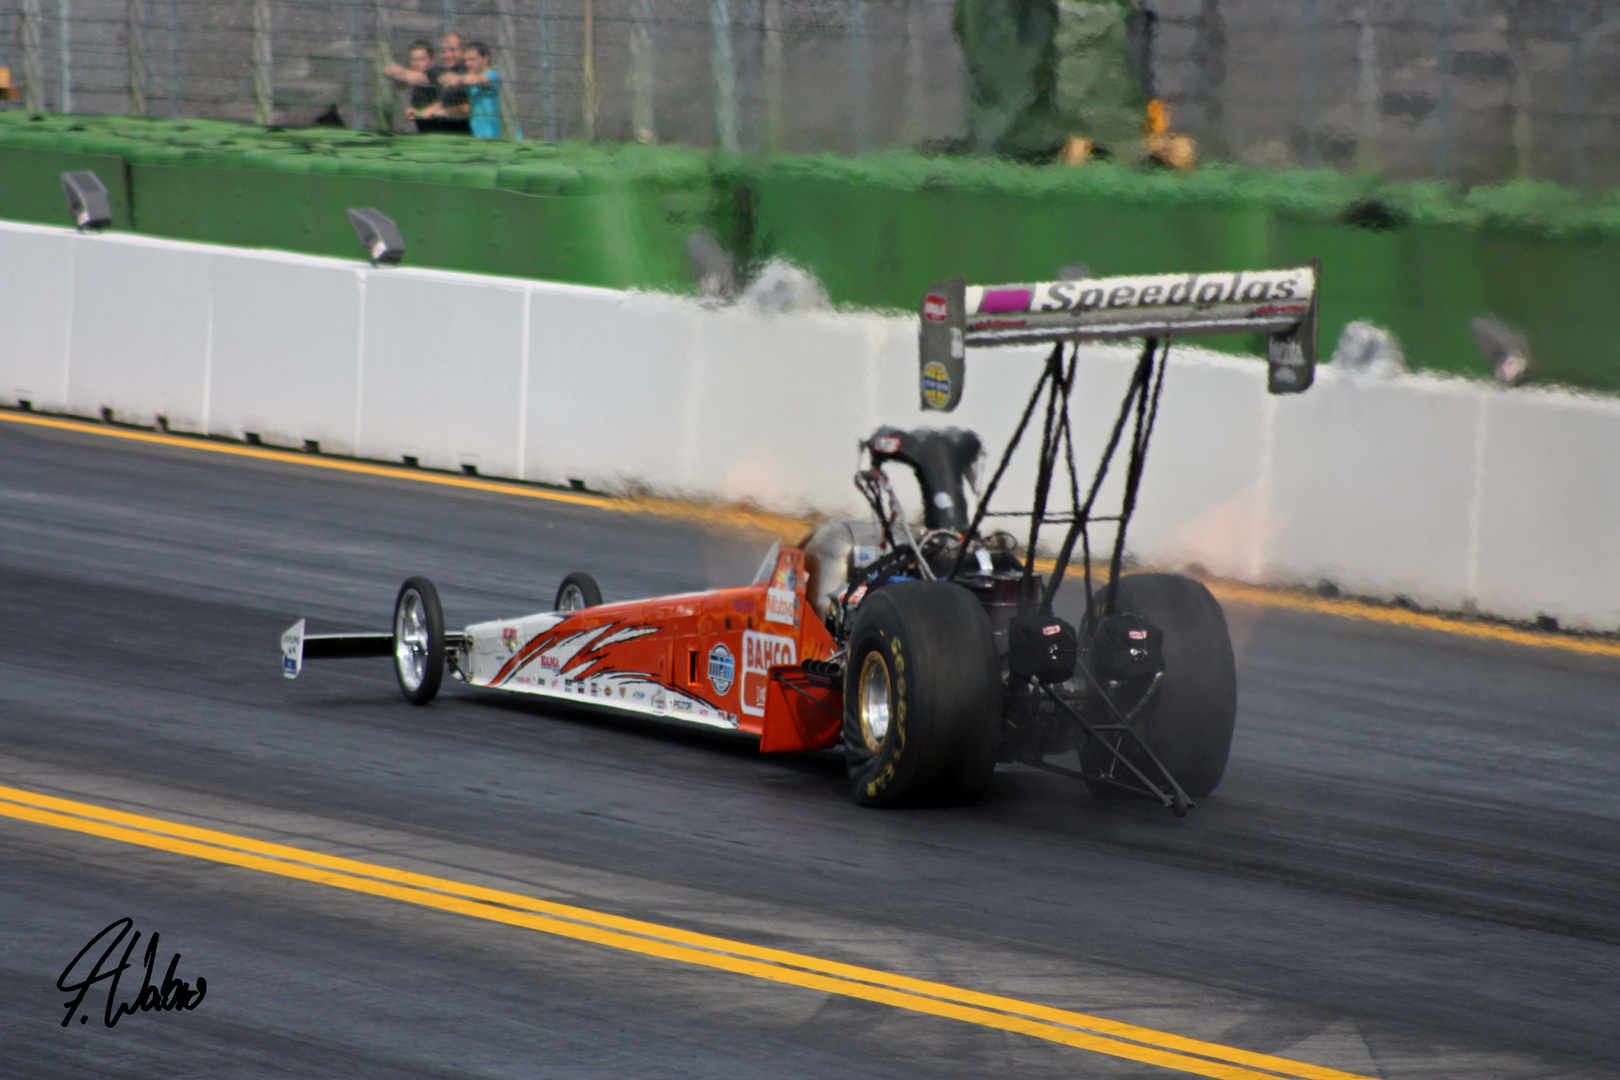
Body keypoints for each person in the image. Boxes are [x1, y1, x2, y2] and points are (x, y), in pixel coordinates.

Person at [440, 41, 519, 139]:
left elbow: (479, 80)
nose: (468, 64)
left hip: (500, 137)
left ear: (485, 59)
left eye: (472, 59)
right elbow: (443, 78)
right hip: (479, 136)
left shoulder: (493, 75)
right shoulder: (468, 77)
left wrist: (459, 80)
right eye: (466, 60)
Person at [382, 40, 445, 132]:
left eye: (421, 59)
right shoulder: (415, 75)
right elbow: (387, 70)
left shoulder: (436, 73)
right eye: (413, 59)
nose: (416, 64)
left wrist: (400, 73)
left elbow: (413, 77)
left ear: (432, 60)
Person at [432, 33, 473, 136]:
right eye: (444, 51)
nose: (448, 55)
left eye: (452, 51)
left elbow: (472, 108)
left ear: (463, 50)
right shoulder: (448, 70)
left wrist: (443, 112)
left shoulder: (469, 71)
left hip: (465, 134)